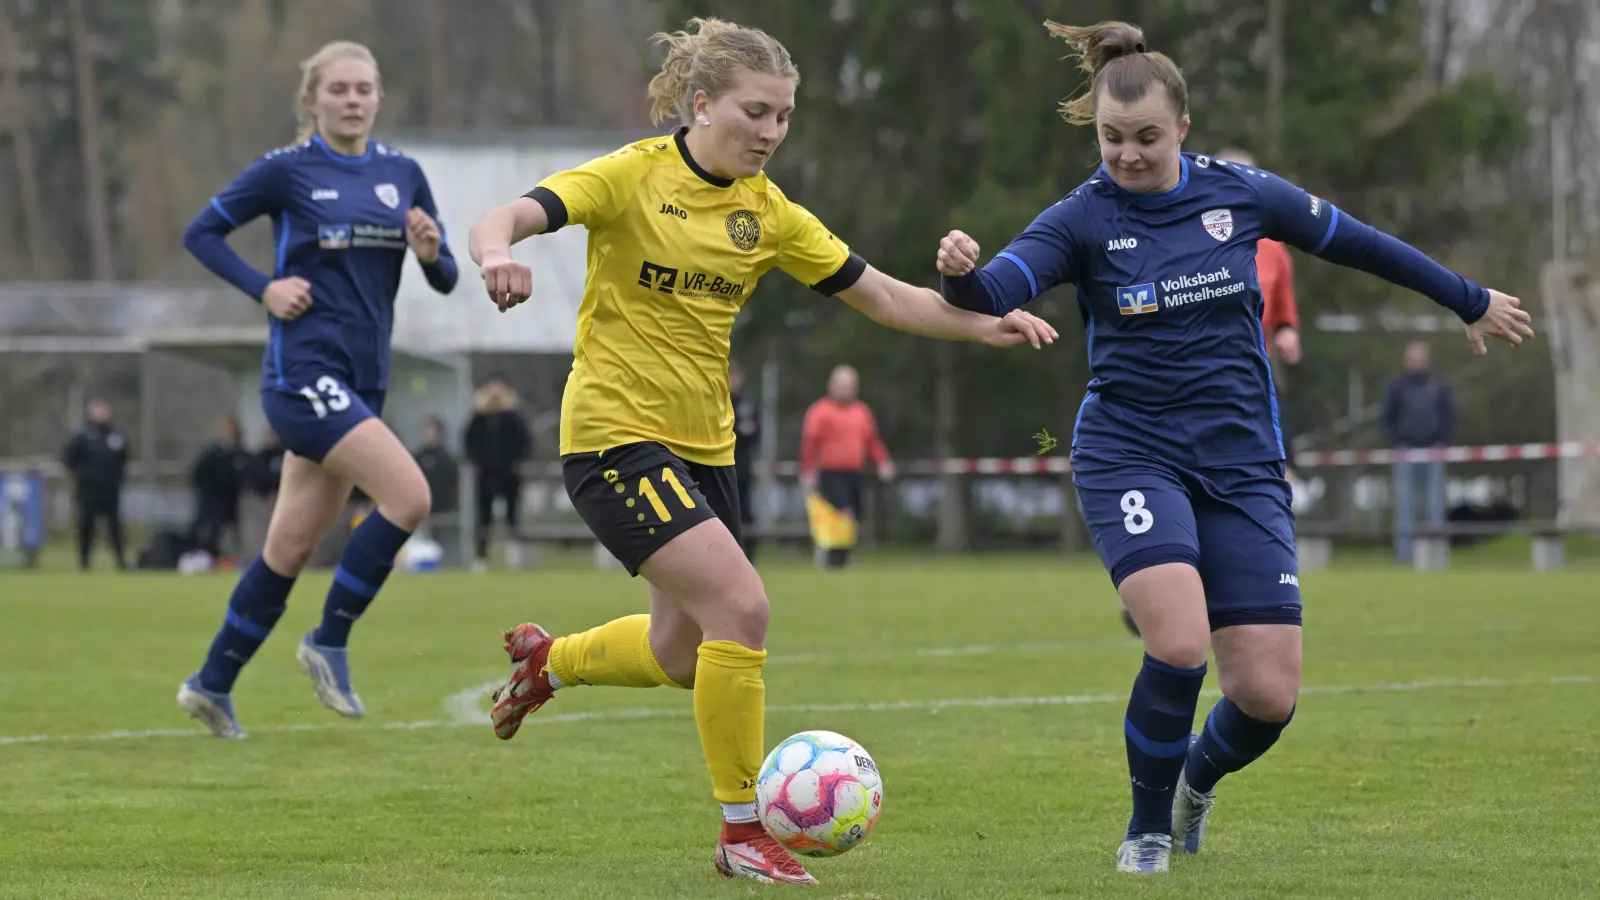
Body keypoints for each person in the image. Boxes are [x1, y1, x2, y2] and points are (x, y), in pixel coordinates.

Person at [465, 16, 1055, 886]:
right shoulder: (632, 177)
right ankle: (742, 830)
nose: (773, 132)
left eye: (784, 115)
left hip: (706, 449)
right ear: (702, 105)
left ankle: (549, 663)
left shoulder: (766, 212)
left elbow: (887, 298)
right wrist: (494, 255)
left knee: (678, 653)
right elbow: (510, 213)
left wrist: (982, 324)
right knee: (743, 609)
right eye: (758, 112)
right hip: (614, 438)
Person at [935, 20, 1532, 874]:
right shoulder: (1082, 216)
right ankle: (1145, 831)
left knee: (1266, 694)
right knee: (1179, 641)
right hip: (1130, 450)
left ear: (1183, 126)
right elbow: (997, 286)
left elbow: (1361, 244)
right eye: (1111, 138)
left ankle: (1194, 785)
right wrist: (960, 273)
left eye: (1145, 138)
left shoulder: (1241, 194)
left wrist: (1467, 298)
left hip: (1243, 461)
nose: (1128, 156)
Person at [175, 40, 458, 739]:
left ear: (379, 99)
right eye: (339, 89)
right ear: (312, 101)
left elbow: (447, 274)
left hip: (365, 382)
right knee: (410, 495)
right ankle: (328, 639)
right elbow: (202, 233)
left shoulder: (402, 173)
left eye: (365, 88)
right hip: (303, 377)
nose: (353, 99)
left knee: (290, 549)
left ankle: (211, 683)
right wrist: (263, 288)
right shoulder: (287, 170)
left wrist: (430, 254)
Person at [799, 364, 894, 568]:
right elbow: (810, 443)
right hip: (831, 472)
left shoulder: (861, 412)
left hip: (854, 472)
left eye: (849, 385)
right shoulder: (820, 411)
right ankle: (832, 555)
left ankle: (842, 556)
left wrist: (883, 462)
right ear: (831, 385)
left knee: (853, 515)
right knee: (843, 513)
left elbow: (871, 441)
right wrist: (808, 471)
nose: (845, 389)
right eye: (841, 385)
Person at [1380, 341, 1456, 562]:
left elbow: (1449, 415)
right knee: (1405, 503)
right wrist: (1395, 442)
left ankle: (1436, 553)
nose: (1417, 362)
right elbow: (1387, 417)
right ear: (1406, 360)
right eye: (1413, 358)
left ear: (1427, 359)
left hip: (1433, 451)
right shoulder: (1396, 386)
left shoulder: (1439, 385)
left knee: (1435, 503)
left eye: (1420, 357)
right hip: (1405, 451)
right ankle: (1405, 553)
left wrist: (1442, 441)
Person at [463, 375, 532, 570]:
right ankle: (481, 558)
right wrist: (476, 462)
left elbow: (525, 443)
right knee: (483, 517)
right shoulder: (478, 418)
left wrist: (518, 463)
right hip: (485, 475)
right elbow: (468, 443)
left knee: (513, 515)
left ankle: (514, 556)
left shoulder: (514, 418)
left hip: (509, 474)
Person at [61, 397, 129, 571]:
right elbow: (69, 458)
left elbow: (124, 457)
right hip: (88, 490)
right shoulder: (82, 435)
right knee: (86, 526)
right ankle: (84, 562)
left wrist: (118, 477)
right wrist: (82, 476)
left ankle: (121, 560)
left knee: (114, 526)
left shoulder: (115, 434)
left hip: (110, 490)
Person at [189, 416, 250, 559]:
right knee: (208, 548)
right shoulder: (209, 457)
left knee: (229, 550)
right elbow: (197, 477)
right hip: (209, 513)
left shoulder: (240, 457)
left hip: (231, 513)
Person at [728, 359, 762, 561]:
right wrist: (740, 430)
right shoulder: (719, 402)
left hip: (743, 467)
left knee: (746, 510)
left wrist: (741, 431)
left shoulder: (748, 403)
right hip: (721, 465)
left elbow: (756, 433)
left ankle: (749, 553)